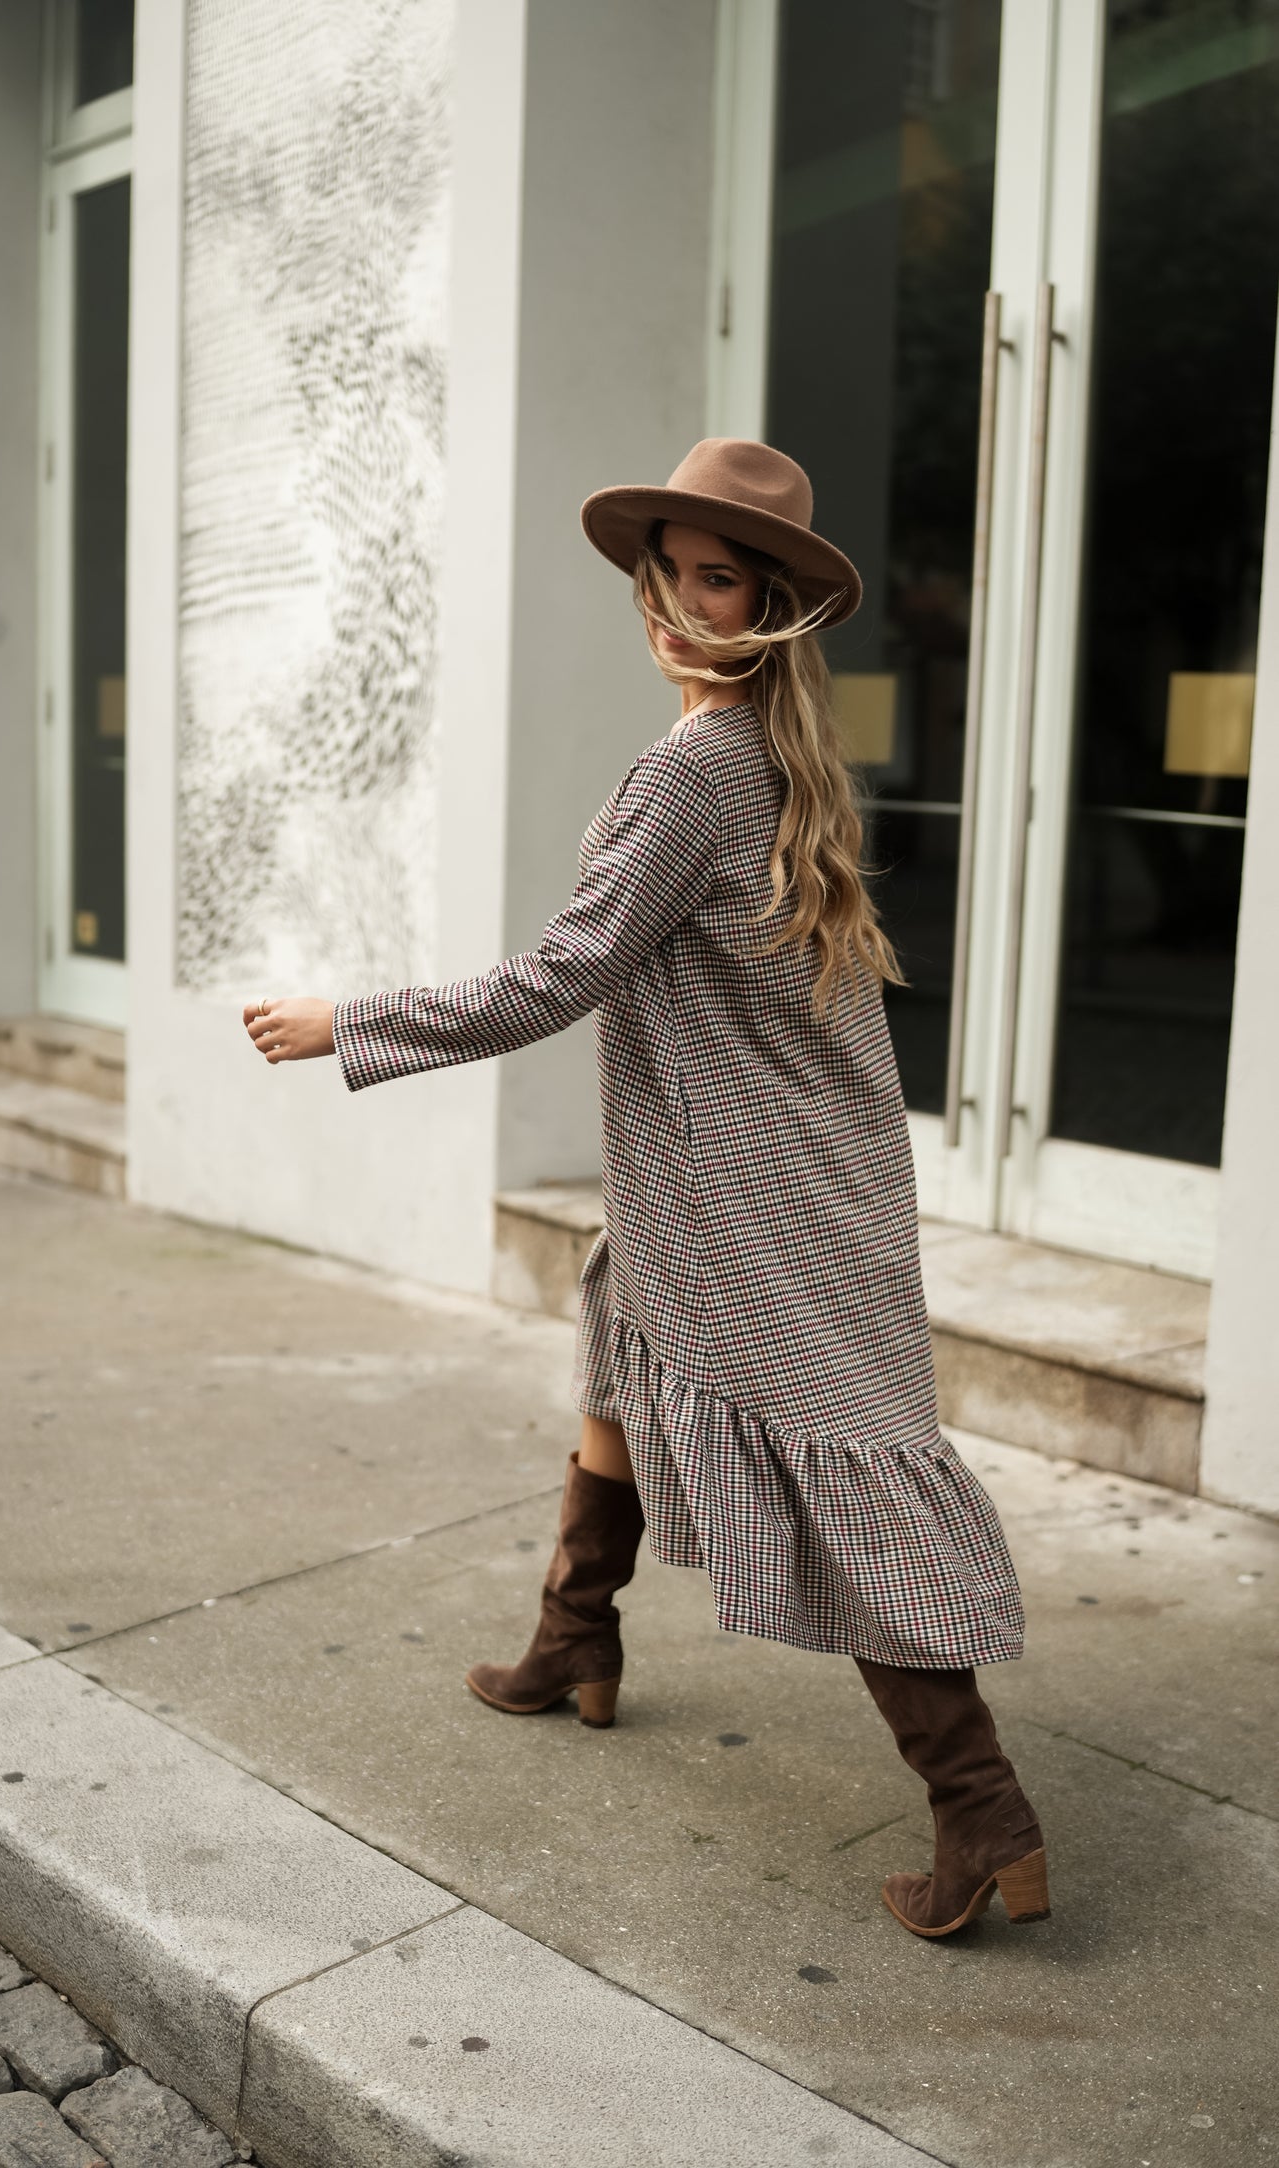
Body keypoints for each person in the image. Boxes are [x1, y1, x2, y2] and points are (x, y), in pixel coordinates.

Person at [242, 438, 1049, 1941]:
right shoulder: (771, 756)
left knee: (841, 1468)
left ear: (766, 604)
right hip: (763, 1160)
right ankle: (573, 1640)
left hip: (754, 1180)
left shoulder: (695, 767)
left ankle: (980, 1808)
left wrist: (343, 1022)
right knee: (620, 1345)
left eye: (719, 576)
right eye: (672, 571)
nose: (681, 600)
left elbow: (558, 977)